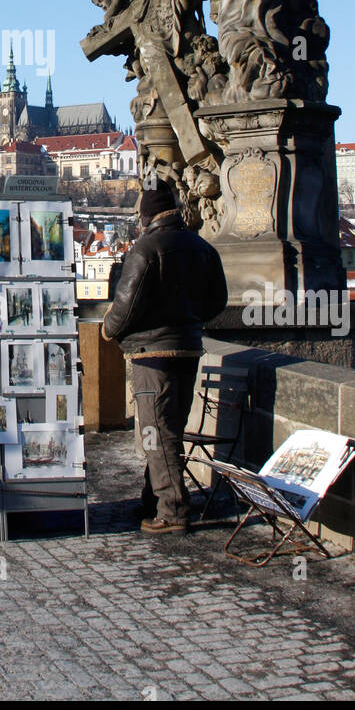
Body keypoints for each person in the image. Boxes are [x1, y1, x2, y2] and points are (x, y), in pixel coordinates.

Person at [101, 178, 228, 534]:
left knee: (157, 433)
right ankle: (151, 497)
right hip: (188, 350)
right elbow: (217, 302)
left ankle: (172, 509)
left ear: (147, 215)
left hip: (151, 354)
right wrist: (188, 321)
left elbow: (123, 309)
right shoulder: (202, 247)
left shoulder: (145, 249)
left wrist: (108, 330)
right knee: (167, 428)